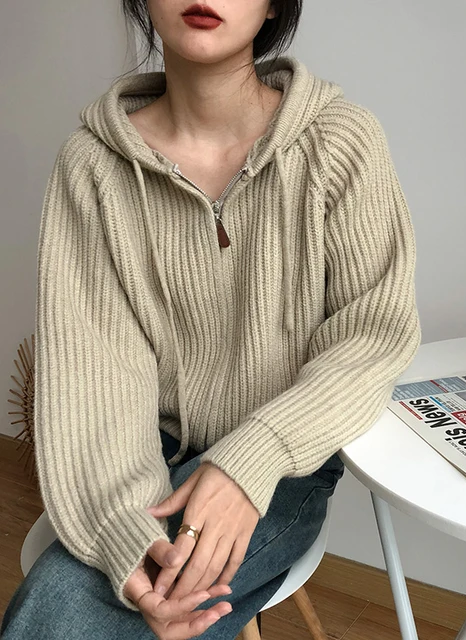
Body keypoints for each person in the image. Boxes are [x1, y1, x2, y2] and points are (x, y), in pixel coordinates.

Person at [1, 0, 422, 638]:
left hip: (288, 461)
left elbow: (374, 334)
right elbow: (98, 378)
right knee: (79, 603)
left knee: (68, 615)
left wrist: (250, 460)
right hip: (142, 451)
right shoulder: (92, 168)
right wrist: (124, 530)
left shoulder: (340, 143)